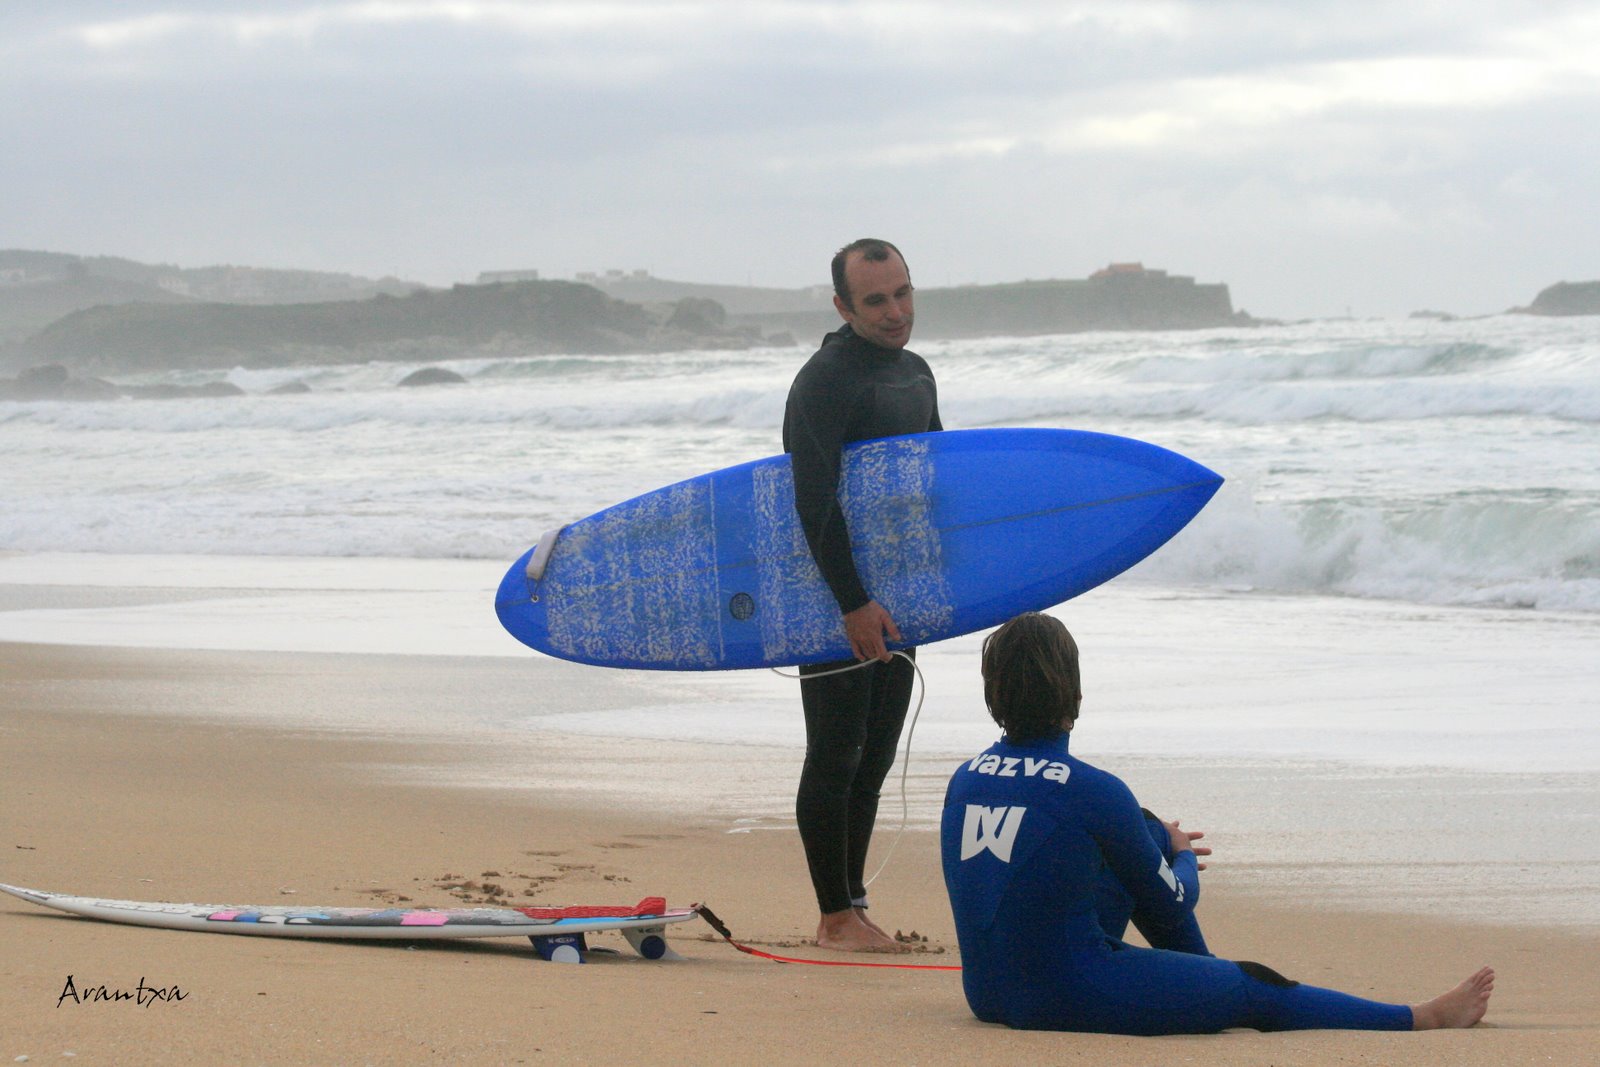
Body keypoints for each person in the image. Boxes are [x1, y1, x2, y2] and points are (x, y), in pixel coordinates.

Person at [941, 612, 1495, 1033]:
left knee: (1144, 830)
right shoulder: (1094, 789)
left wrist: (1158, 841)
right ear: (1075, 691)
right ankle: (1421, 1017)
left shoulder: (965, 779)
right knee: (1255, 984)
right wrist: (1182, 853)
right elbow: (1175, 902)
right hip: (1064, 995)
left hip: (988, 993)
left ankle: (1199, 978)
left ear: (993, 693)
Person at [783, 238, 942, 952]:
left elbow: (932, 482)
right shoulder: (824, 380)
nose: (895, 311)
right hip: (833, 595)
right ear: (843, 307)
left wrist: (946, 590)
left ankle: (852, 903)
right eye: (875, 301)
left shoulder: (916, 373)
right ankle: (833, 916)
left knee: (874, 756)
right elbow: (813, 499)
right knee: (835, 752)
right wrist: (851, 602)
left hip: (897, 599)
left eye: (902, 293)